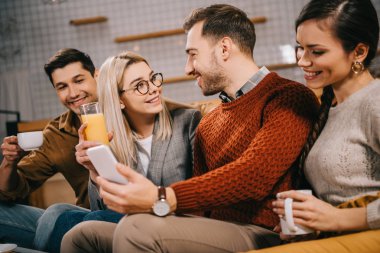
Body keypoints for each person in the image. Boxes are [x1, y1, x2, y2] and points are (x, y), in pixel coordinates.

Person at [61, 4, 319, 253]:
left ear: (224, 48)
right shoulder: (210, 122)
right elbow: (199, 206)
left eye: (192, 54)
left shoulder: (287, 97)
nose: (187, 68)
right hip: (213, 229)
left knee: (136, 229)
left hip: (262, 231)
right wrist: (98, 175)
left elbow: (254, 175)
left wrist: (161, 197)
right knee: (82, 236)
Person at [246, 0, 380, 252]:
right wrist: (312, 223)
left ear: (359, 52)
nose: (302, 61)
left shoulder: (375, 100)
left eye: (316, 52)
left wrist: (338, 219)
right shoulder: (327, 109)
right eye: (300, 48)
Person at [46, 51, 201, 252]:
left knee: (90, 221)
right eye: (140, 85)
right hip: (133, 224)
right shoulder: (112, 137)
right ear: (119, 100)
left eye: (153, 78)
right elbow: (102, 207)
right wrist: (94, 170)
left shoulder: (187, 122)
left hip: (175, 221)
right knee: (63, 216)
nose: (154, 88)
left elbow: (199, 195)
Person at [0, 48, 97, 249]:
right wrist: (10, 162)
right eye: (62, 87)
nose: (73, 93)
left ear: (96, 76)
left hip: (118, 218)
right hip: (82, 218)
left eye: (79, 81)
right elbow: (12, 190)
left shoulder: (127, 111)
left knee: (56, 212)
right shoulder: (55, 133)